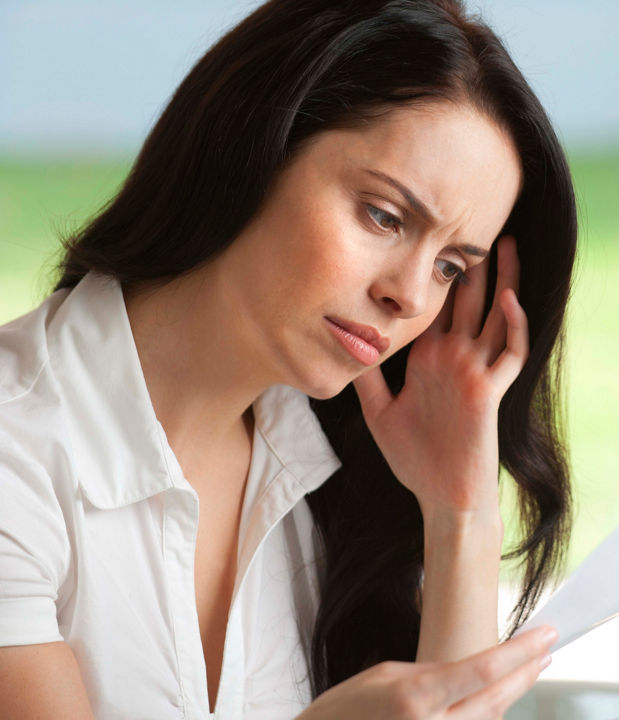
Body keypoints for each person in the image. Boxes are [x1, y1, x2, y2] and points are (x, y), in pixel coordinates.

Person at [0, 0, 576, 717]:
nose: (408, 296)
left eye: (451, 268)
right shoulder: (15, 448)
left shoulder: (327, 473)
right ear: (248, 144)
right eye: (385, 216)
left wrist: (459, 515)